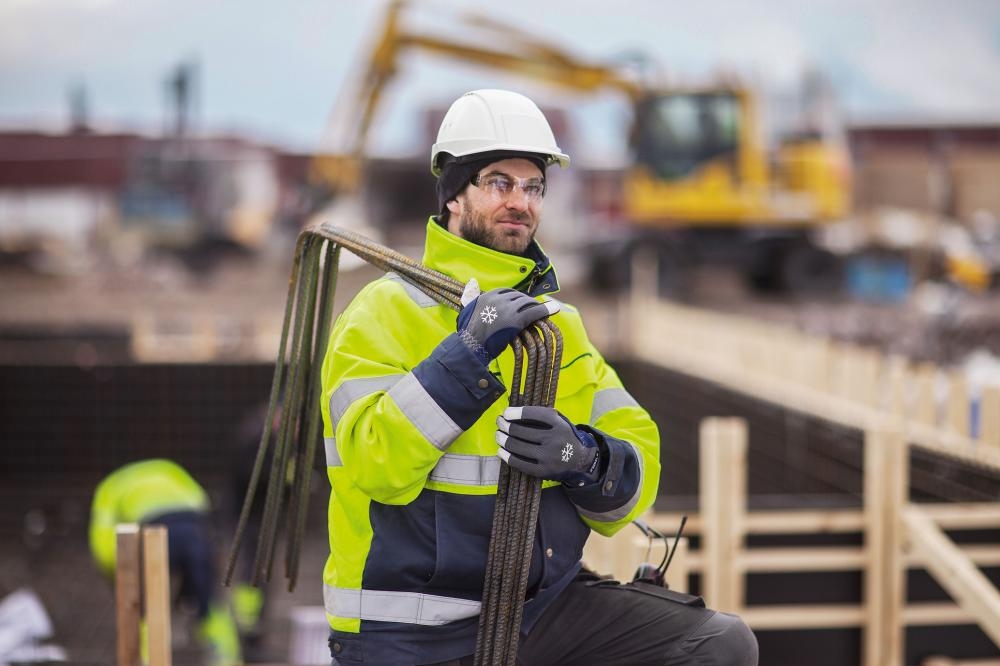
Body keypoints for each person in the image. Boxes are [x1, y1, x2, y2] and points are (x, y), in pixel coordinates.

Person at [319, 88, 758, 665]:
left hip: (541, 610)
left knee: (717, 645)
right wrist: (467, 353)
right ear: (454, 195)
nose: (520, 202)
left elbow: (636, 467)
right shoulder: (383, 312)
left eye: (533, 187)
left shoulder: (558, 330)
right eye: (499, 182)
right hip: (412, 627)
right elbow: (376, 465)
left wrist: (585, 459)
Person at [89, 458, 242, 666]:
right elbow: (204, 502)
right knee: (207, 598)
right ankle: (226, 658)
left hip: (155, 531)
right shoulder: (169, 469)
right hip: (195, 529)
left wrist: (118, 576)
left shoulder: (109, 488)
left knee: (149, 603)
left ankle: (149, 658)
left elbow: (103, 543)